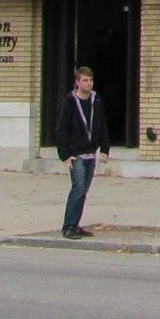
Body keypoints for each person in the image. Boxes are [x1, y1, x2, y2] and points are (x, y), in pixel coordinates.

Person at [54, 64, 110, 239]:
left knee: (83, 191)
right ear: (77, 82)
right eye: (85, 80)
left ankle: (76, 224)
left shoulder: (96, 101)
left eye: (91, 80)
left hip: (90, 153)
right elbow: (61, 129)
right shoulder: (70, 102)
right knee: (77, 189)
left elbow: (102, 125)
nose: (89, 84)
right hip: (76, 155)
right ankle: (68, 226)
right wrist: (64, 155)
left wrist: (105, 148)